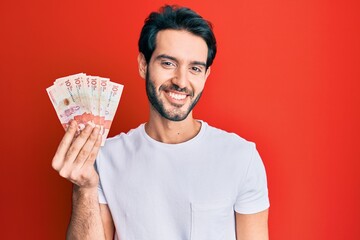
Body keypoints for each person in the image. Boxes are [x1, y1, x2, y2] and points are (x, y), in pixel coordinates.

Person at [52, 5, 270, 240]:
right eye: (168, 63)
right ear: (143, 65)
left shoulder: (241, 157)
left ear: (206, 75)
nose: (181, 81)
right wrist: (83, 189)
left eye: (195, 68)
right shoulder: (106, 157)